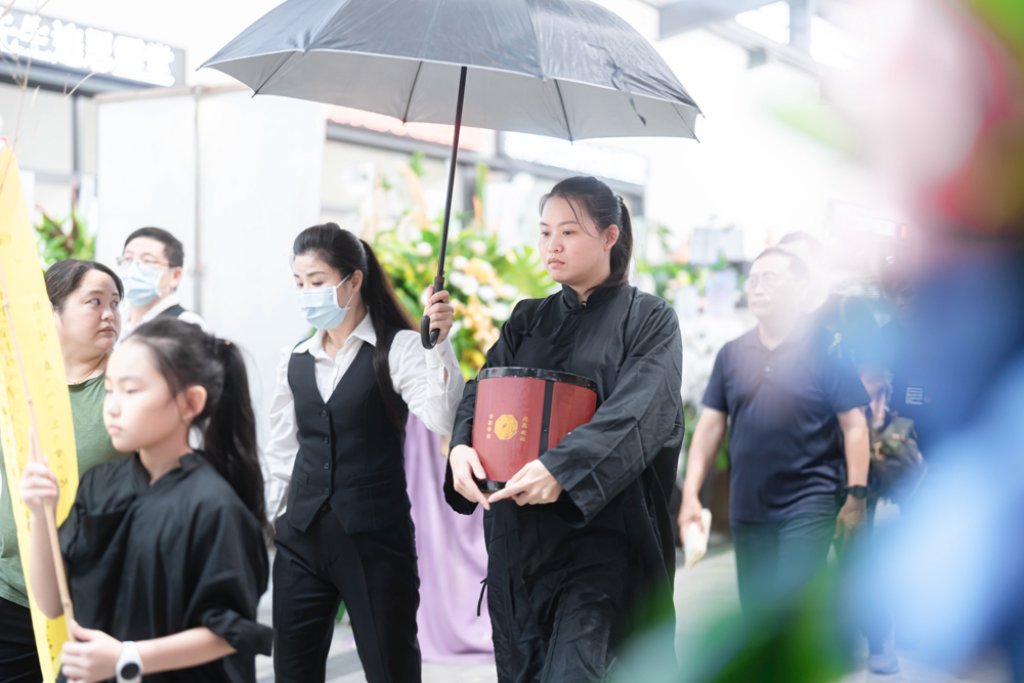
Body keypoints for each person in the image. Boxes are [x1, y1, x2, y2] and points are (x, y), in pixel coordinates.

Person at [446, 176, 685, 682]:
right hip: (519, 545)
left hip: (600, 539)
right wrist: (461, 447)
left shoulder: (648, 320)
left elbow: (636, 415)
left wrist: (562, 468)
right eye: (544, 231)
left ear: (609, 236)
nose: (552, 245)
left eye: (569, 232)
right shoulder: (526, 320)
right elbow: (484, 390)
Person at [263, 223, 464, 683]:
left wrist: (440, 346)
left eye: (317, 282)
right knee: (291, 671)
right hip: (301, 536)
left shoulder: (399, 347)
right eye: (299, 283)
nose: (306, 293)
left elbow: (443, 418)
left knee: (389, 667)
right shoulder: (293, 357)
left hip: (375, 538)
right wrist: (276, 520)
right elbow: (281, 448)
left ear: (352, 281)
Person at [19, 318, 272, 682]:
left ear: (190, 402)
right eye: (109, 390)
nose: (113, 406)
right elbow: (50, 603)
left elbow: (230, 632)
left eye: (131, 390)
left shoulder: (214, 506)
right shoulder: (100, 484)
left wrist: (127, 657)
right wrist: (40, 516)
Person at [679, 248, 871, 615]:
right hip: (748, 503)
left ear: (799, 289)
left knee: (792, 607)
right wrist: (690, 493)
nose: (758, 288)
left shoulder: (827, 350)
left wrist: (856, 497)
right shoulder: (732, 354)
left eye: (770, 279)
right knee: (756, 613)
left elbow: (854, 425)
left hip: (809, 499)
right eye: (752, 280)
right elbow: (710, 425)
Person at [0, 259, 124, 683]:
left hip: (91, 598)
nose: (110, 314)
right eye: (95, 302)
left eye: (115, 303)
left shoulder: (126, 386)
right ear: (51, 312)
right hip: (11, 592)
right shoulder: (17, 385)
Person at [117, 227, 206, 338]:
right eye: (128, 259)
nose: (133, 269)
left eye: (147, 260)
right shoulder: (116, 319)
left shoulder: (186, 324)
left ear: (175, 275)